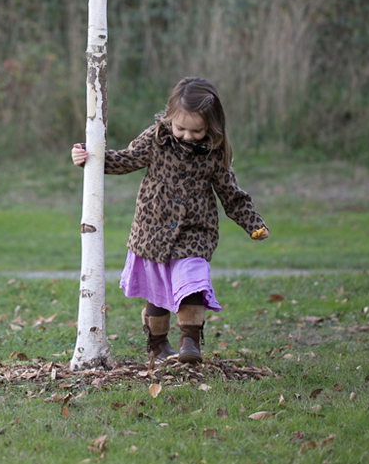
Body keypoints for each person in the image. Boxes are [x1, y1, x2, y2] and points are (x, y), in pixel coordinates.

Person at [71, 77, 268, 364]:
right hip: (152, 232)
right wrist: (89, 157)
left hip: (194, 233)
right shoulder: (156, 139)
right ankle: (158, 346)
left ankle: (190, 340)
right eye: (181, 128)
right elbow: (126, 160)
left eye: (197, 130)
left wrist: (253, 224)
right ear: (169, 118)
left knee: (193, 283)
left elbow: (231, 195)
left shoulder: (215, 153)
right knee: (157, 293)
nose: (188, 136)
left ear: (212, 126)